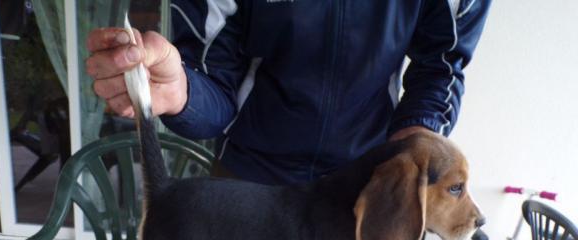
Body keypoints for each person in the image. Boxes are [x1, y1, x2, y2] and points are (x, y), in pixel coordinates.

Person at [86, 1, 491, 186]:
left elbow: (441, 63)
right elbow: (214, 83)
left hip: (362, 186)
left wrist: (414, 142)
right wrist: (181, 92)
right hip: (248, 183)